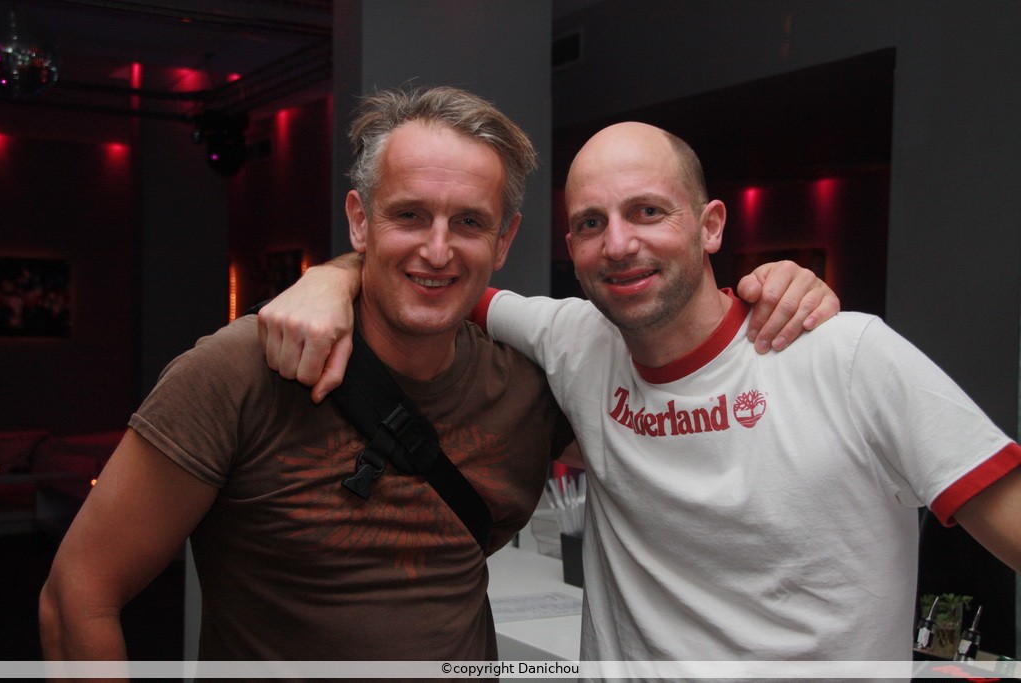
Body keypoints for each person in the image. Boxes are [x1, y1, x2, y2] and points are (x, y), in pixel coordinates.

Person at [37, 88, 835, 662]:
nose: (438, 249)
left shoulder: (536, 381)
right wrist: (328, 277)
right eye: (409, 214)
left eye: (470, 222)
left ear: (505, 241)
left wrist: (773, 292)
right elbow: (78, 595)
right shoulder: (241, 370)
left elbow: (682, 391)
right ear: (360, 221)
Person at [257, 120, 1021, 663]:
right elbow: (439, 278)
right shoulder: (577, 341)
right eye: (591, 223)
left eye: (647, 211)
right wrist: (331, 276)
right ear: (571, 248)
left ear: (710, 225)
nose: (618, 243)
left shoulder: (845, 356)